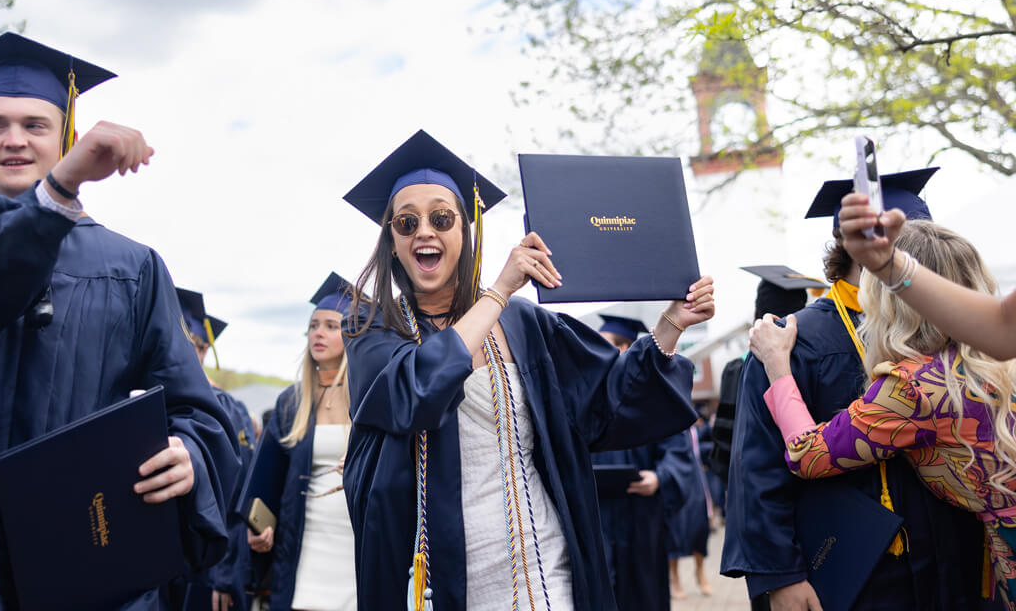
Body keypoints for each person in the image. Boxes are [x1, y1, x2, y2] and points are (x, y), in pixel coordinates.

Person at [340, 130, 715, 610]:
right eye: (407, 223)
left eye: (441, 218)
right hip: (446, 577)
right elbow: (414, 392)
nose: (424, 232)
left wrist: (670, 324)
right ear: (392, 242)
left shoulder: (524, 323)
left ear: (464, 231)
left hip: (546, 566)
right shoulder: (374, 329)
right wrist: (498, 291)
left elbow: (605, 401)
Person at [0, 32, 239, 610]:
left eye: (35, 124)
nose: (14, 140)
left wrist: (189, 454)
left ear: (67, 136)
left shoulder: (131, 268)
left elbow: (197, 409)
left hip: (90, 571)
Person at [721, 169, 997, 611]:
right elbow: (756, 467)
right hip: (856, 567)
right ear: (857, 248)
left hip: (959, 555)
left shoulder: (952, 326)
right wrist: (781, 574)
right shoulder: (797, 339)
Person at [240, 272, 359, 611]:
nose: (318, 333)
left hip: (354, 541)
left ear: (351, 334)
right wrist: (258, 526)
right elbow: (266, 479)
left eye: (332, 326)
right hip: (304, 542)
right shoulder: (293, 402)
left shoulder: (369, 398)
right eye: (313, 325)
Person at [591, 315, 703, 611]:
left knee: (644, 593)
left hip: (641, 515)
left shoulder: (656, 399)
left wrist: (660, 477)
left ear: (627, 349)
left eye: (609, 347)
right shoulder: (589, 397)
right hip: (597, 515)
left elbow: (679, 453)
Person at [840, 192, 1016, 361]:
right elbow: (1004, 328)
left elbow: (1004, 329)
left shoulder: (898, 387)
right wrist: (890, 264)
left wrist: (892, 266)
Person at [175, 288, 257, 611]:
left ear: (205, 349)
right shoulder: (147, 398)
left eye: (192, 345)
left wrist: (224, 574)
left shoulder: (228, 408)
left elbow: (239, 495)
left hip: (208, 567)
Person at [709, 266, 823, 483]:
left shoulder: (737, 369)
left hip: (755, 484)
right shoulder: (812, 363)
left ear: (757, 315)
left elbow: (727, 446)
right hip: (810, 476)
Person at [666, 423, 714, 600]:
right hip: (675, 476)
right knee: (675, 530)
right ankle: (675, 578)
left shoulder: (693, 426)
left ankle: (700, 572)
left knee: (699, 527)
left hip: (695, 478)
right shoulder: (668, 421)